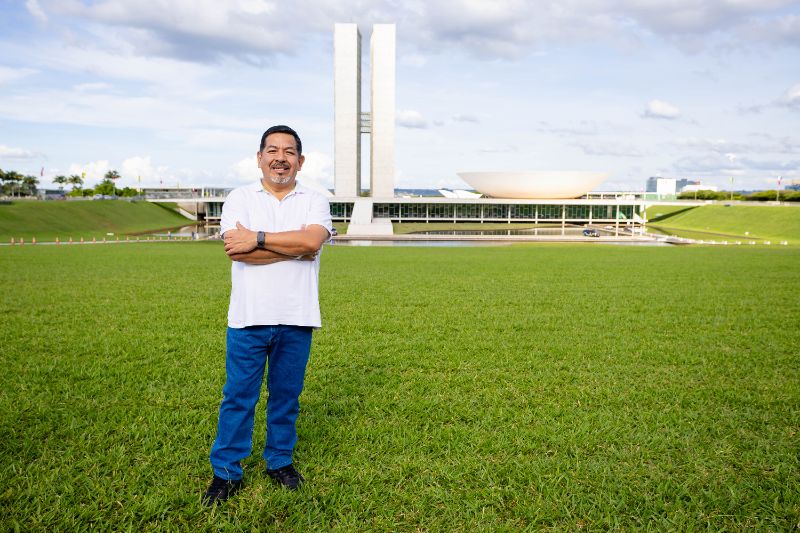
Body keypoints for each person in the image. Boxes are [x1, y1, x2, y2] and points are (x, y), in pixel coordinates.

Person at [203, 125, 332, 505]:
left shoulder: (315, 199)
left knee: (286, 397)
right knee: (238, 397)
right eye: (272, 150)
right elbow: (237, 251)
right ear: (259, 158)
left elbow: (312, 241)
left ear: (300, 161)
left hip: (297, 315)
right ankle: (226, 472)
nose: (280, 158)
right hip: (248, 317)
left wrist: (257, 238)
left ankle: (279, 462)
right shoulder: (240, 198)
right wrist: (295, 248)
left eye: (289, 152)